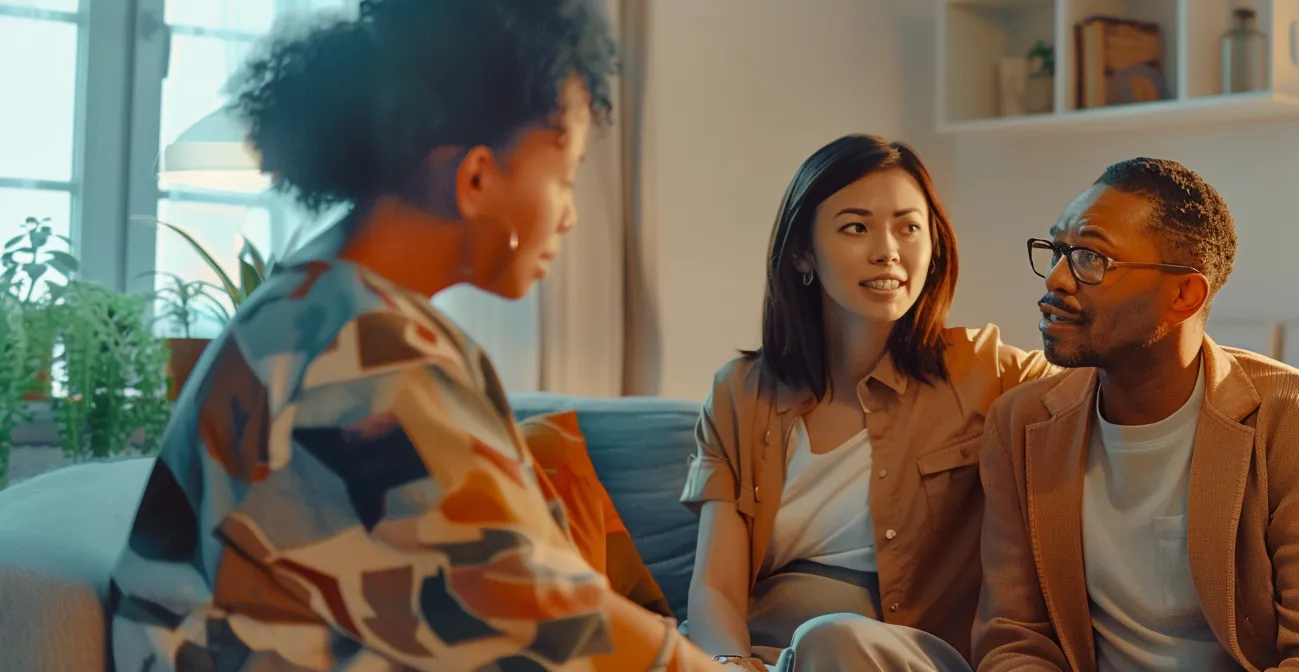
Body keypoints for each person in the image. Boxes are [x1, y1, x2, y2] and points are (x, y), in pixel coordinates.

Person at [106, 1, 718, 670]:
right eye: (565, 177)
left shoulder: (332, 310)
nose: (569, 216)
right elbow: (535, 612)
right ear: (476, 178)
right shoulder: (349, 355)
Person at [976, 157, 1299, 672]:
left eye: (1090, 257)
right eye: (1058, 250)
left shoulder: (1295, 418)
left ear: (1184, 295)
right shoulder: (1021, 424)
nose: (1057, 278)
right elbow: (1013, 638)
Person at [681, 133, 1057, 672]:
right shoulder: (740, 392)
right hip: (760, 655)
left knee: (831, 639)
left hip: (895, 655)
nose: (888, 250)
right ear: (801, 251)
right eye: (856, 227)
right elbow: (716, 587)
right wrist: (728, 661)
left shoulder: (987, 370)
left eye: (909, 227)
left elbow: (1107, 384)